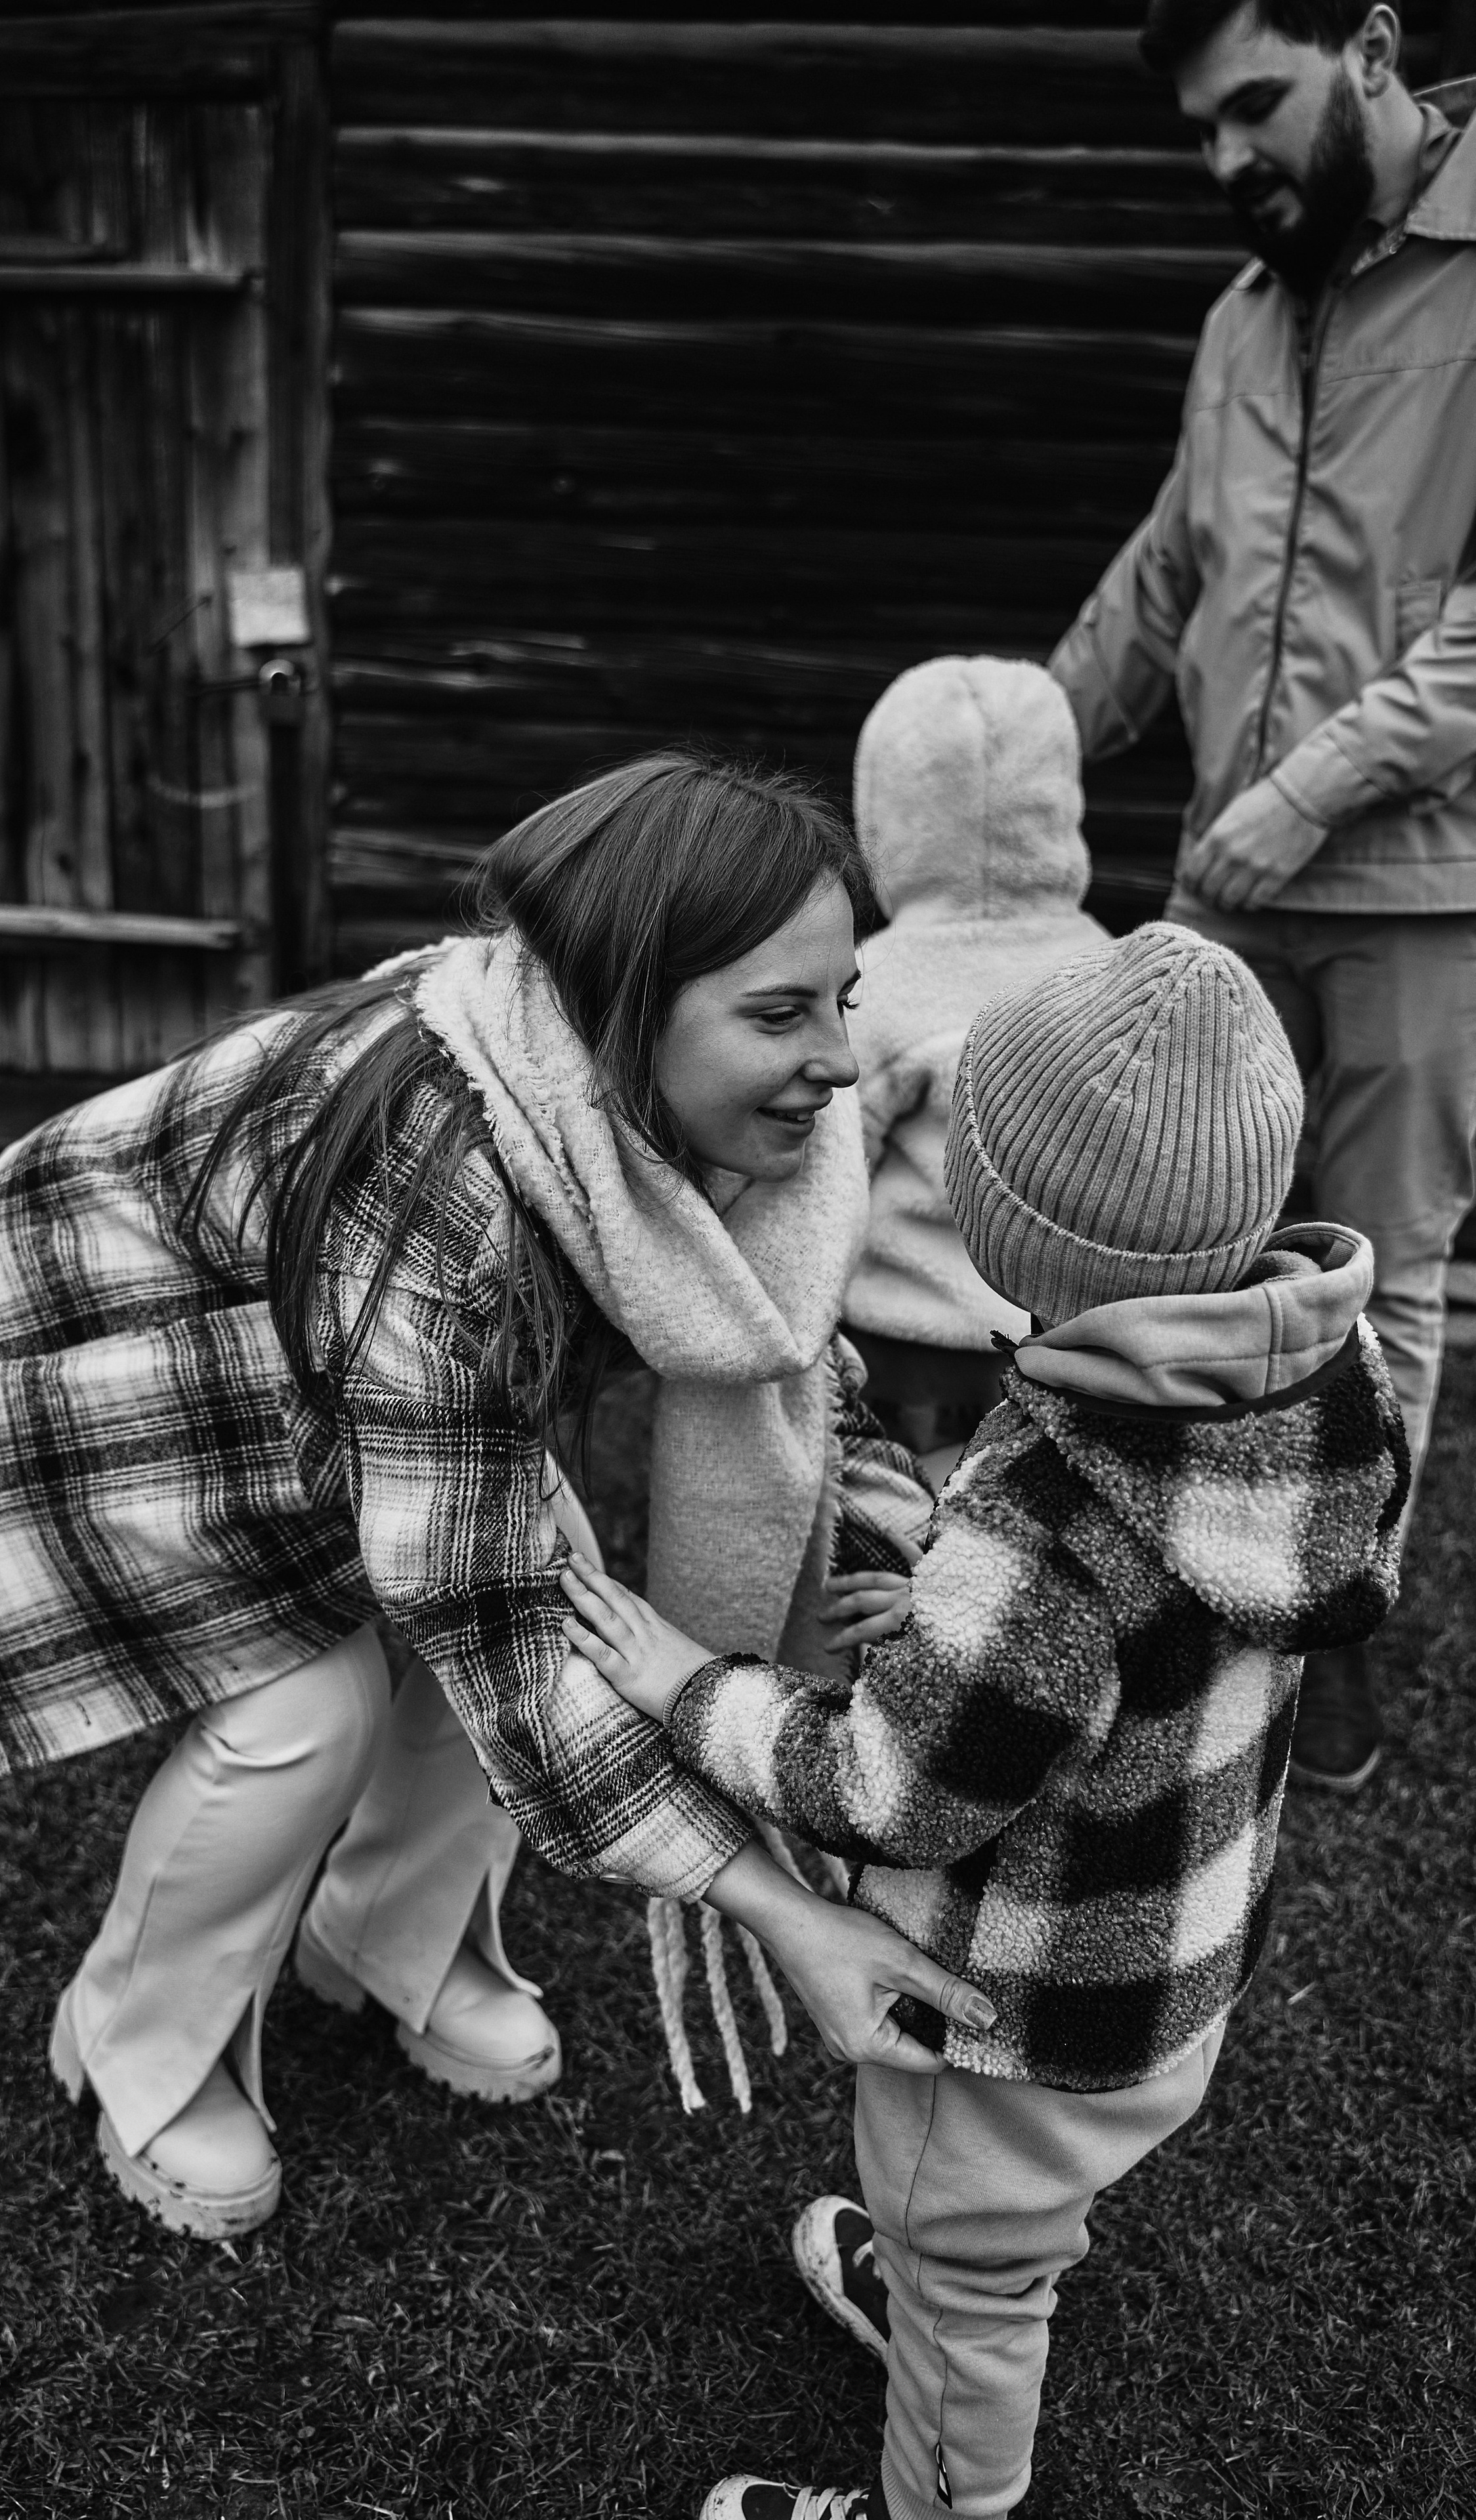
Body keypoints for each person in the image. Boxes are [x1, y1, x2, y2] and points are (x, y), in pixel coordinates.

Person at [0, 753, 985, 2242]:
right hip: (98, 1355)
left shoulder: (717, 1111)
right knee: (300, 1707)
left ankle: (378, 1939)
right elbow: (496, 1628)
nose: (838, 1059)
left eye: (838, 994)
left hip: (345, 1370)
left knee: (554, 1607)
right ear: (620, 1010)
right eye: (775, 1013)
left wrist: (878, 1520)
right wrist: (785, 1910)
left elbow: (790, 1348)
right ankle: (133, 2045)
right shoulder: (443, 1190)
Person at [560, 924, 1409, 2520]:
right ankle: (965, 2264)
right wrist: (951, 1574)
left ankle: (939, 2456)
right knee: (1010, 2212)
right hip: (1173, 1950)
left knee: (971, 2269)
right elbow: (1125, 1626)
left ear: (1003, 1222)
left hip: (1007, 2012)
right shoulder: (1310, 1372)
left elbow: (889, 1791)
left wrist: (686, 1676)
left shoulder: (1045, 1524)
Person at [1047, 0, 1476, 1792]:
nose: (1229, 161)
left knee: (1383, 1273)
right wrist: (993, 756)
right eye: (1202, 134)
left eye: (1255, 108)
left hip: (1419, 897)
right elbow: (1166, 578)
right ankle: (1177, 1581)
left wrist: (1298, 803)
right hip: (1226, 888)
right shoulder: (1241, 319)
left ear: (1370, 47)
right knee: (1179, 1233)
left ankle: (1339, 1618)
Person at [841, 656, 1109, 1484]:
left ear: (888, 813)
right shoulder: (1112, 969)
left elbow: (826, 1183)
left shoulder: (868, 986)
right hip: (1072, 1346)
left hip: (904, 1353)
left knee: (883, 1551)